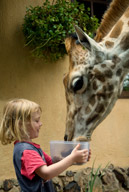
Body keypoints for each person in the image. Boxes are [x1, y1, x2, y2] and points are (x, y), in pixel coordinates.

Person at [0, 98, 91, 192]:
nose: (41, 124)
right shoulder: (26, 151)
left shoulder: (30, 147)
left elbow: (52, 163)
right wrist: (72, 158)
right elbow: (46, 173)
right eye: (36, 120)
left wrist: (75, 157)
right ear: (21, 124)